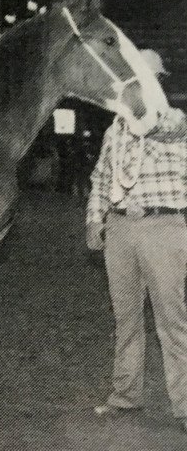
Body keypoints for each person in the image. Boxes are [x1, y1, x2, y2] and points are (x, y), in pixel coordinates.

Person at [86, 49, 187, 432]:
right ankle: (126, 396)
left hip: (164, 227)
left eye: (148, 75)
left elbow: (172, 128)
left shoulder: (173, 120)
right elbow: (100, 176)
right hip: (120, 228)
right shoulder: (116, 127)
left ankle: (185, 405)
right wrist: (95, 218)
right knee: (126, 319)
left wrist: (156, 119)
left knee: (172, 321)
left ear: (158, 80)